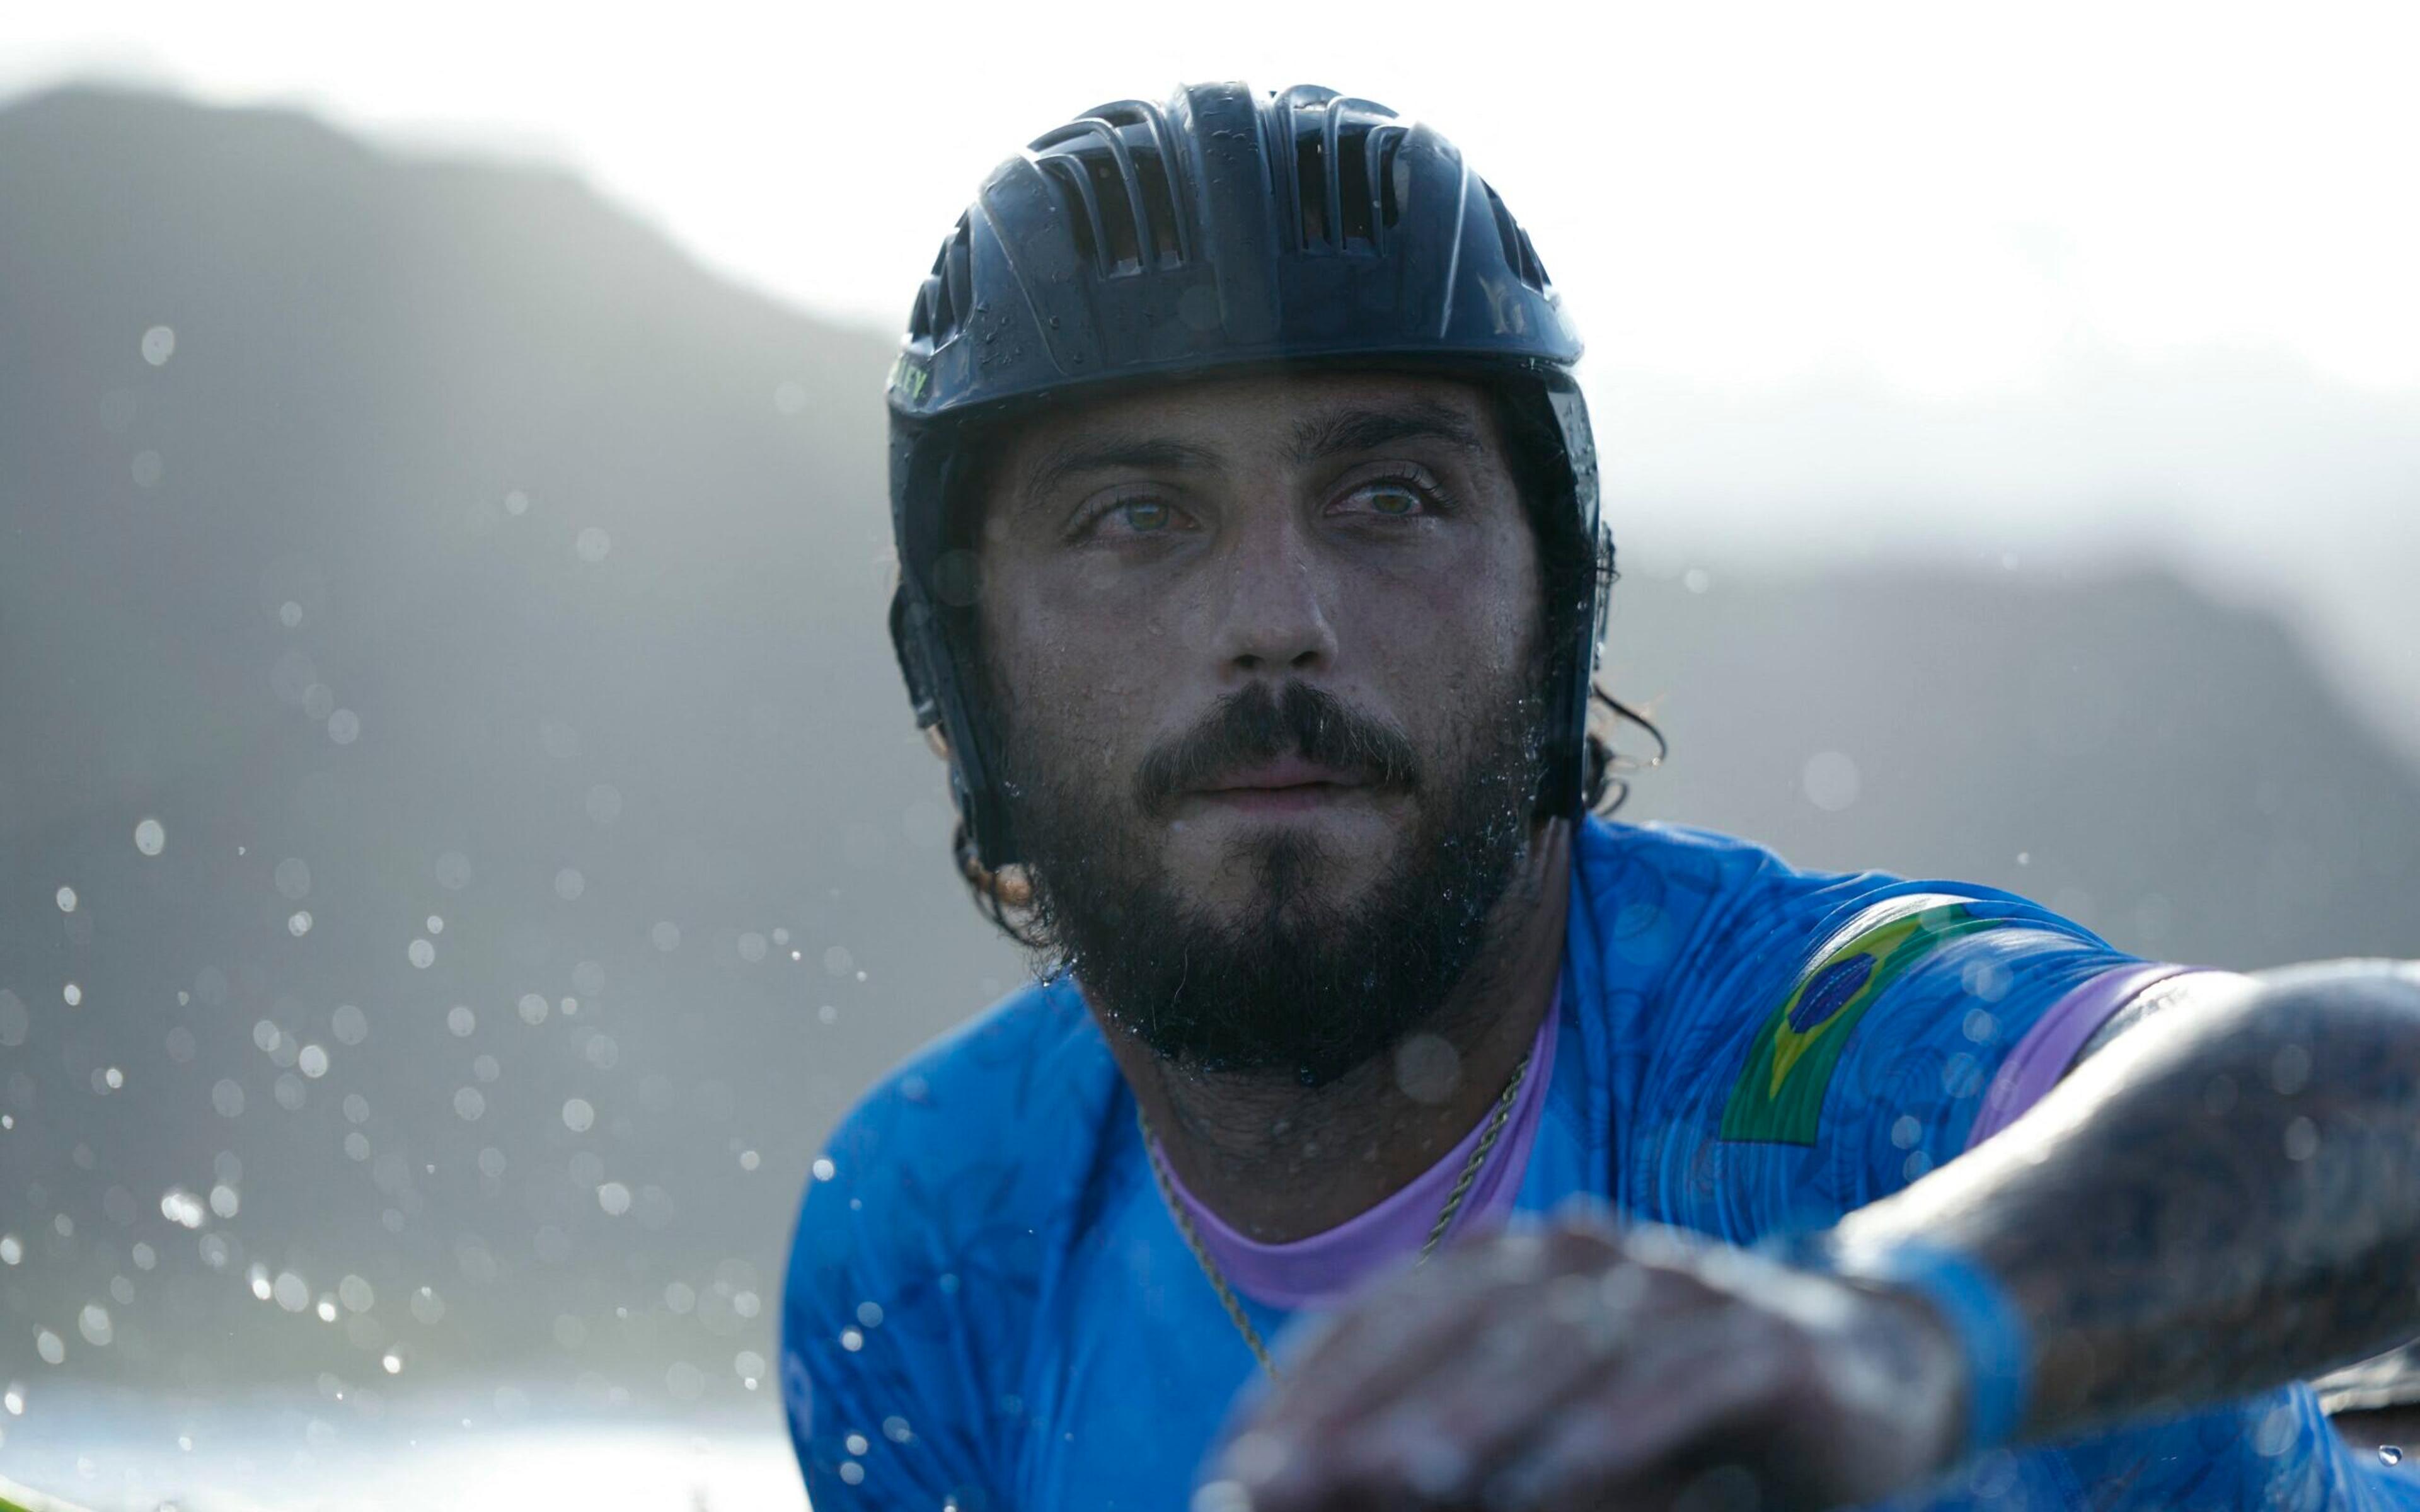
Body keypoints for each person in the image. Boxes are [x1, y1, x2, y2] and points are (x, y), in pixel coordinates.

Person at [779, 81, 2420, 1511]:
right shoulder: (933, 1247)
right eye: (1135, 518)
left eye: (1393, 495)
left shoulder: (1827, 1079)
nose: (1277, 617)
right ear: (962, 680)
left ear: (1558, 616)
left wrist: (1896, 1333)